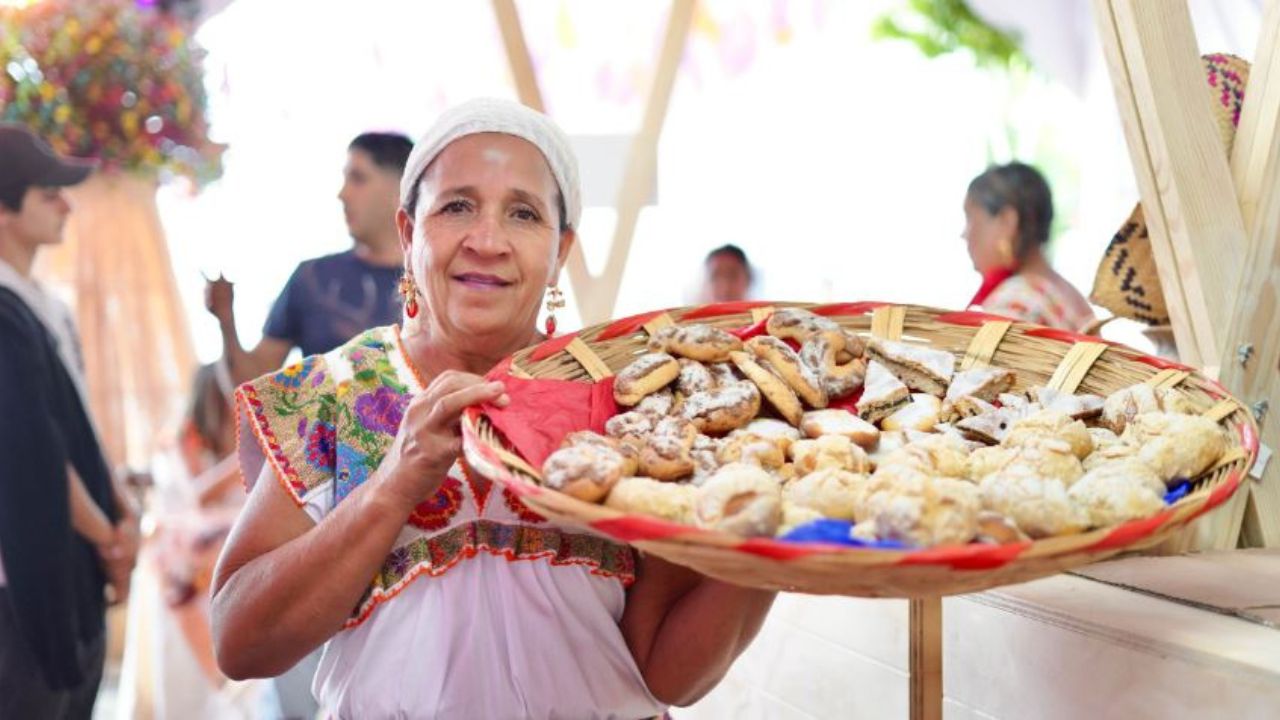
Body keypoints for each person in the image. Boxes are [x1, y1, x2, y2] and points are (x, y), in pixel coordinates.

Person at [211, 99, 775, 718]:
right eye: (457, 206)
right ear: (408, 233)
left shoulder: (628, 406)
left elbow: (668, 674)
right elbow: (240, 643)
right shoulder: (335, 393)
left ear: (559, 249)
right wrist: (392, 486)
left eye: (523, 214)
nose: (488, 241)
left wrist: (772, 528)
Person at [0, 123, 139, 719]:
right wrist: (110, 538)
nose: (66, 204)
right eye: (48, 192)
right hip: (24, 582)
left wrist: (123, 510)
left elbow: (79, 419)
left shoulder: (44, 303)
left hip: (72, 559)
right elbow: (32, 454)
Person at [206, 131, 414, 386]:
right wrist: (226, 321)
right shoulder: (311, 278)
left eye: (358, 179)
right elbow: (250, 386)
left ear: (400, 187)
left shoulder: (435, 279)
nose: (343, 194)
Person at [119, 362, 263, 719]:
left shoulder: (250, 446)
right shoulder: (182, 444)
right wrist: (238, 462)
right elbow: (191, 500)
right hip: (190, 560)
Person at [962, 161, 1095, 331]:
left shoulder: (1015, 303)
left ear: (1007, 222)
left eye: (971, 218)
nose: (965, 234)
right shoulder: (1072, 295)